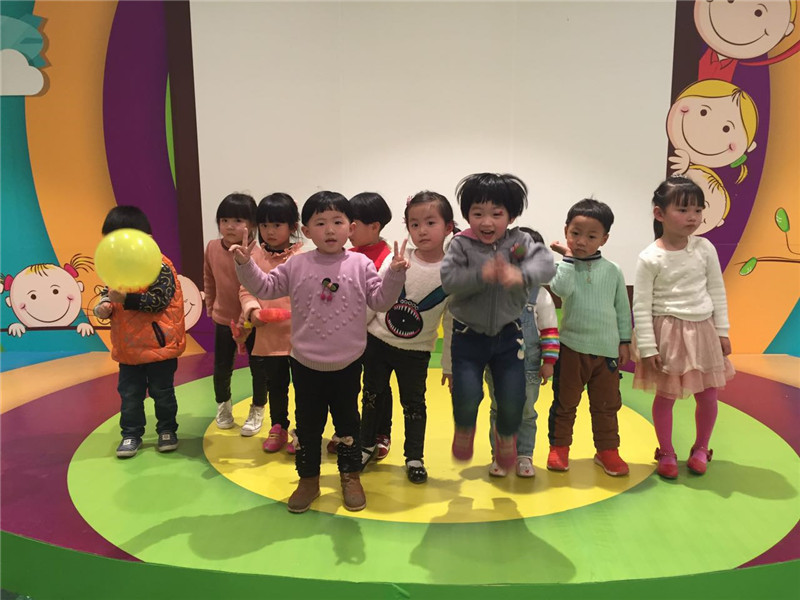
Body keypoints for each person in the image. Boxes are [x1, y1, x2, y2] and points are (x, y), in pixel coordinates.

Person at [231, 191, 409, 513]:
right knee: (308, 425)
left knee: (348, 424)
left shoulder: (360, 264)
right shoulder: (296, 264)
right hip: (305, 364)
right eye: (320, 222)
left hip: (348, 364)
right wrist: (245, 263)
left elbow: (381, 301)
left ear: (350, 228)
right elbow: (265, 287)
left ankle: (350, 476)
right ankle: (308, 479)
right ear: (306, 230)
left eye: (337, 222)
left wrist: (395, 273)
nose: (329, 230)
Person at [440, 173, 556, 471]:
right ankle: (465, 428)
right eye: (477, 213)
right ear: (467, 215)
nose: (486, 222)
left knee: (513, 396)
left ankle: (506, 436)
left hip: (508, 336)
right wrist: (481, 275)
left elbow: (546, 265)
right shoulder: (461, 245)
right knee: (467, 394)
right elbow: (449, 280)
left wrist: (521, 274)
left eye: (496, 214)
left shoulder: (518, 244)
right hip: (468, 337)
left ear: (511, 216)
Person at [632, 176, 734, 479]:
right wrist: (648, 347)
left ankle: (702, 447)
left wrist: (722, 331)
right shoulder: (649, 257)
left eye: (698, 210)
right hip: (668, 335)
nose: (693, 217)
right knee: (666, 396)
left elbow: (717, 291)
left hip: (703, 332)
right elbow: (641, 306)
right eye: (683, 210)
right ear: (659, 213)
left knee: (708, 395)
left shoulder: (705, 248)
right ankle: (666, 451)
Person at [359, 191, 455, 483]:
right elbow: (376, 299)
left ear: (448, 227)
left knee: (414, 405)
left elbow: (451, 323)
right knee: (371, 396)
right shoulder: (397, 258)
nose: (421, 230)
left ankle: (414, 457)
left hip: (416, 351)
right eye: (414, 224)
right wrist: (356, 334)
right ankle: (366, 445)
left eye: (430, 223)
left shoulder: (452, 274)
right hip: (377, 343)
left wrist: (449, 365)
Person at [547, 199, 632, 477]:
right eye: (575, 233)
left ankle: (607, 451)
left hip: (606, 353)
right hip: (571, 348)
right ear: (566, 231)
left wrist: (625, 341)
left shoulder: (613, 270)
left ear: (604, 239)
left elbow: (622, 308)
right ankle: (559, 447)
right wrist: (567, 258)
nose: (581, 241)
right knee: (565, 403)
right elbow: (561, 290)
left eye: (591, 236)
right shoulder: (564, 267)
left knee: (606, 406)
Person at [93, 206, 186, 458]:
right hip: (128, 349)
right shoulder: (116, 268)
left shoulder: (160, 266)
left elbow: (159, 301)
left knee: (162, 393)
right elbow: (108, 297)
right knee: (129, 396)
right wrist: (104, 307)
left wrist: (126, 299)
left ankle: (167, 429)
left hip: (159, 347)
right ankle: (131, 434)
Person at [325, 192, 395, 457]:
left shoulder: (388, 259)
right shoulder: (346, 254)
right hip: (345, 334)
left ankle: (380, 432)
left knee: (377, 386)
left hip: (374, 336)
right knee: (346, 385)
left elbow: (379, 301)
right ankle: (347, 431)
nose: (348, 229)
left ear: (374, 226)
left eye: (353, 224)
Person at [485, 228, 559, 478]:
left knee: (527, 413)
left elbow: (549, 330)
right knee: (499, 411)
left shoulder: (540, 295)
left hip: (529, 369)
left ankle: (524, 454)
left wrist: (549, 362)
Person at [237, 193, 303, 448]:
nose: (270, 231)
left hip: (300, 339)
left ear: (293, 227)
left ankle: (303, 430)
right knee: (276, 386)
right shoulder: (254, 257)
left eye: (277, 224)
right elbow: (245, 290)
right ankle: (278, 427)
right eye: (264, 225)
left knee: (305, 388)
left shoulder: (303, 257)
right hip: (269, 337)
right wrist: (252, 311)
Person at [203, 193, 257, 429]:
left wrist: (249, 319)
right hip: (224, 319)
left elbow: (257, 287)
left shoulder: (256, 251)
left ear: (251, 224)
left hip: (253, 321)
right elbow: (209, 278)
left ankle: (257, 409)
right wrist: (211, 307)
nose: (229, 226)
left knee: (258, 369)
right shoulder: (212, 247)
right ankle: (223, 406)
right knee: (222, 367)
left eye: (237, 220)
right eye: (224, 220)